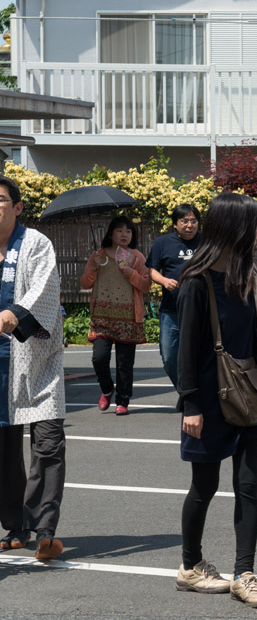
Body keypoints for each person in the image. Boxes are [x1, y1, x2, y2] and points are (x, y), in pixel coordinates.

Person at [174, 192, 257, 608]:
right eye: (251, 225)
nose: (255, 233)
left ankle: (244, 574)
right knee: (205, 485)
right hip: (209, 399)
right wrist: (191, 404)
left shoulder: (247, 276)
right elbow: (185, 350)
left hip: (249, 395)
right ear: (233, 228)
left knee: (248, 485)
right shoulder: (196, 282)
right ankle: (190, 566)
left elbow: (254, 341)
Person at [0, 175, 67, 561]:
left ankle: (44, 529)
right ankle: (15, 524)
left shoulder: (36, 243)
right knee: (3, 450)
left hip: (36, 360)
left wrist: (13, 313)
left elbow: (44, 289)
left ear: (18, 206)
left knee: (47, 445)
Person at [81, 215, 151, 416]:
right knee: (99, 358)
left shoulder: (136, 257)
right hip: (101, 318)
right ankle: (106, 388)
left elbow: (146, 285)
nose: (124, 234)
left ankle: (123, 401)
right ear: (111, 233)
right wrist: (93, 267)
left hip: (128, 317)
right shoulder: (99, 255)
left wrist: (129, 272)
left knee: (124, 364)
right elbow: (85, 283)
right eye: (119, 230)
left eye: (128, 231)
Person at [147, 204, 202, 389]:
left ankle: (195, 397)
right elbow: (152, 270)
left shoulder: (206, 242)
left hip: (201, 310)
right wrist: (164, 281)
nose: (189, 225)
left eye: (194, 221)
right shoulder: (162, 243)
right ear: (175, 224)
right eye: (184, 221)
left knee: (200, 356)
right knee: (169, 356)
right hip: (171, 310)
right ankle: (186, 393)